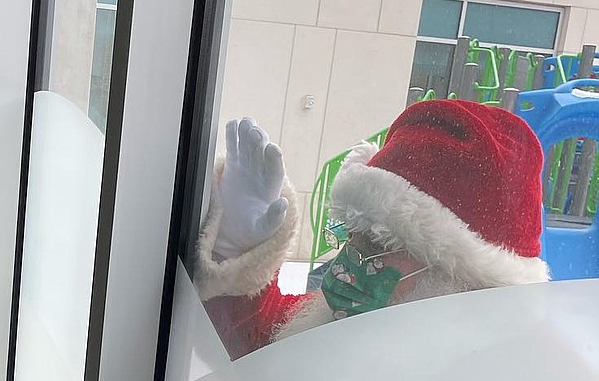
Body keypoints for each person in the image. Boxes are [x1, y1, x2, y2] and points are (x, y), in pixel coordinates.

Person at [196, 100, 550, 359]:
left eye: (380, 242)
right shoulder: (360, 326)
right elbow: (265, 344)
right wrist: (237, 250)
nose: (345, 267)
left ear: (467, 279)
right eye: (352, 236)